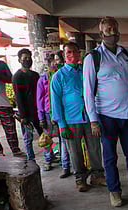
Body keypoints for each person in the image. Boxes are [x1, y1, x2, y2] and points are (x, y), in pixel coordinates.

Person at [83, 16, 128, 206]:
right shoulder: (93, 57)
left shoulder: (125, 53)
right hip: (106, 117)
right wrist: (93, 120)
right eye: (109, 28)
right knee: (110, 156)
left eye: (115, 28)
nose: (113, 31)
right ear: (101, 33)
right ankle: (114, 191)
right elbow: (88, 91)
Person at [51, 42, 106, 192]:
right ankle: (80, 179)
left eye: (75, 51)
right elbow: (55, 101)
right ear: (64, 55)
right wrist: (62, 124)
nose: (73, 54)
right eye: (69, 52)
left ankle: (97, 175)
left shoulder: (85, 71)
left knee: (94, 148)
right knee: (75, 152)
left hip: (89, 118)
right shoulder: (58, 76)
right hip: (70, 121)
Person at [37, 54, 72, 176]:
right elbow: (39, 99)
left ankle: (65, 164)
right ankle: (48, 160)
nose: (55, 63)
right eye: (52, 61)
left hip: (62, 112)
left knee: (64, 139)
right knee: (47, 139)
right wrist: (41, 117)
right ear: (48, 63)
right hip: (47, 113)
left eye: (57, 60)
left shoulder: (63, 76)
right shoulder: (43, 79)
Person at [12, 48, 42, 161]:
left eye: (29, 58)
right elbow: (18, 97)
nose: (28, 60)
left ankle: (50, 157)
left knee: (43, 135)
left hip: (37, 110)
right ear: (19, 60)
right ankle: (31, 160)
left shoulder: (35, 75)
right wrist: (23, 116)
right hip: (26, 112)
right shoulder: (17, 76)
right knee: (28, 138)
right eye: (25, 58)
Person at [0, 57, 24, 157]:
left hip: (3, 102)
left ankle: (15, 150)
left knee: (10, 129)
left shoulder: (1, 64)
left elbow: (11, 79)